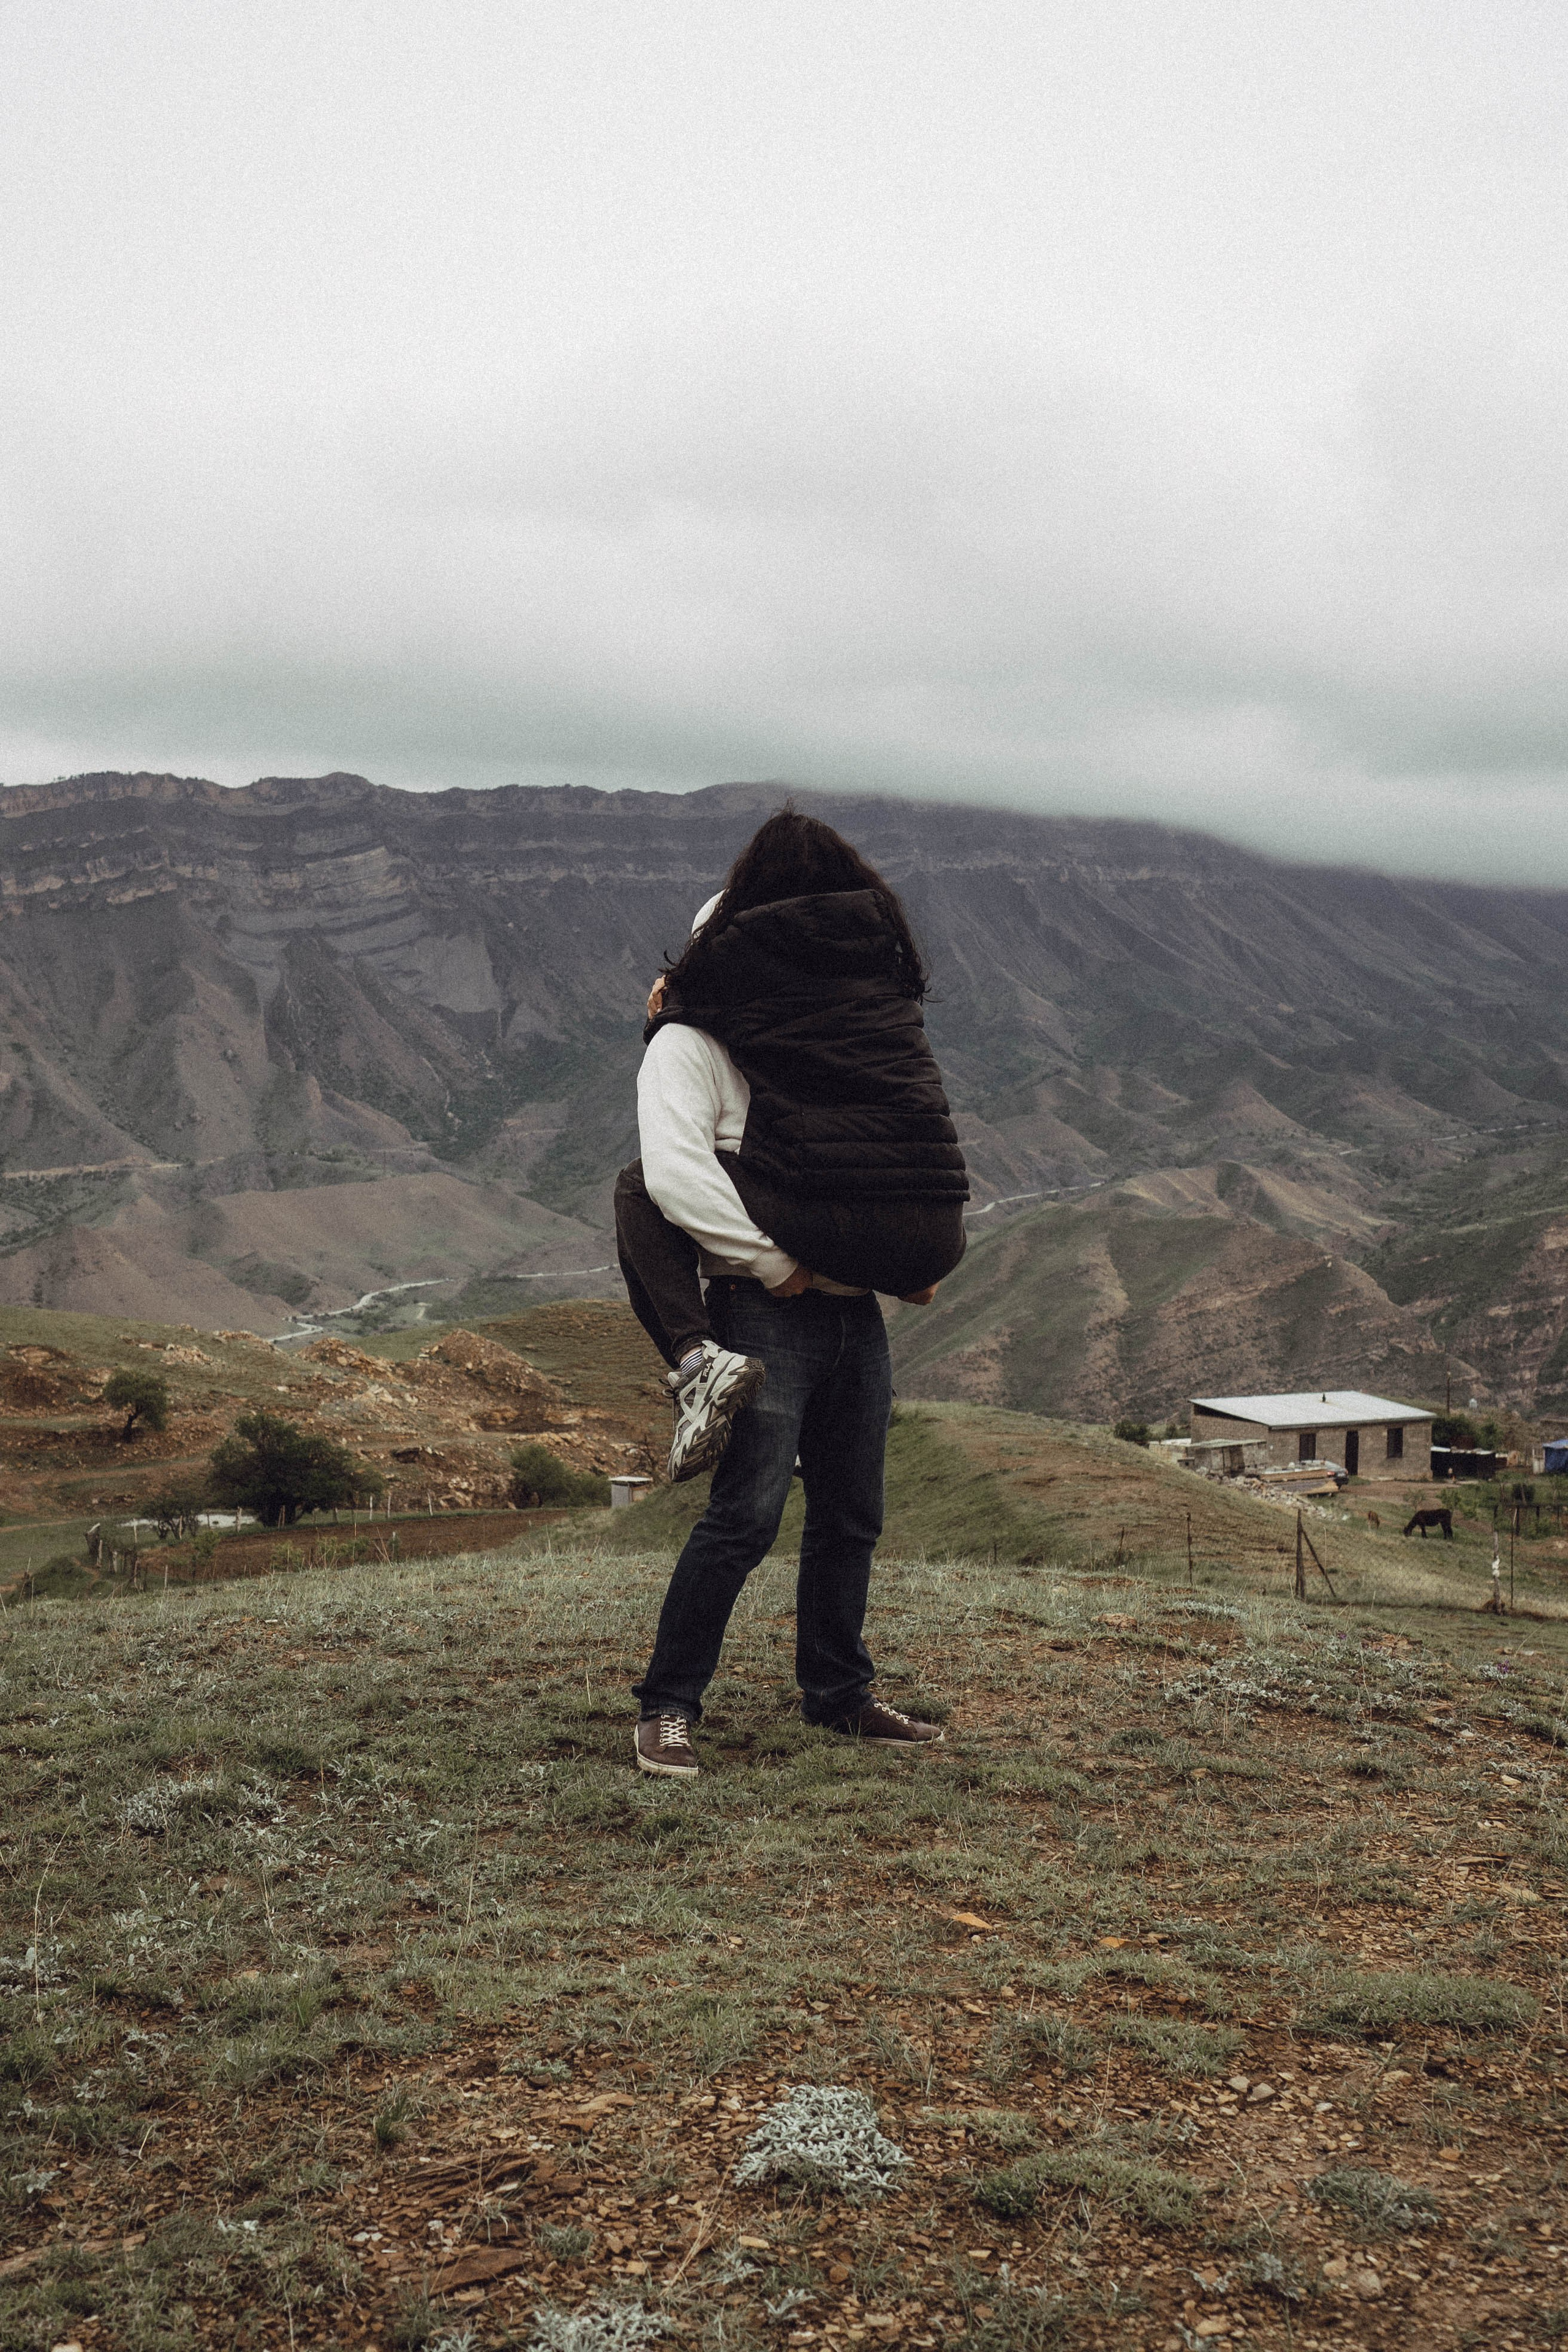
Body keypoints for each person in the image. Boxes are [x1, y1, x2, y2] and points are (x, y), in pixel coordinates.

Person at [617, 809, 970, 1778]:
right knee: (746, 1516)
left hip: (855, 1314)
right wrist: (778, 1267)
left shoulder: (830, 1049)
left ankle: (838, 1693)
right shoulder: (689, 1046)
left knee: (853, 1514)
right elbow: (673, 1175)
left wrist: (895, 1254)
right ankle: (667, 1706)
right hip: (764, 1311)